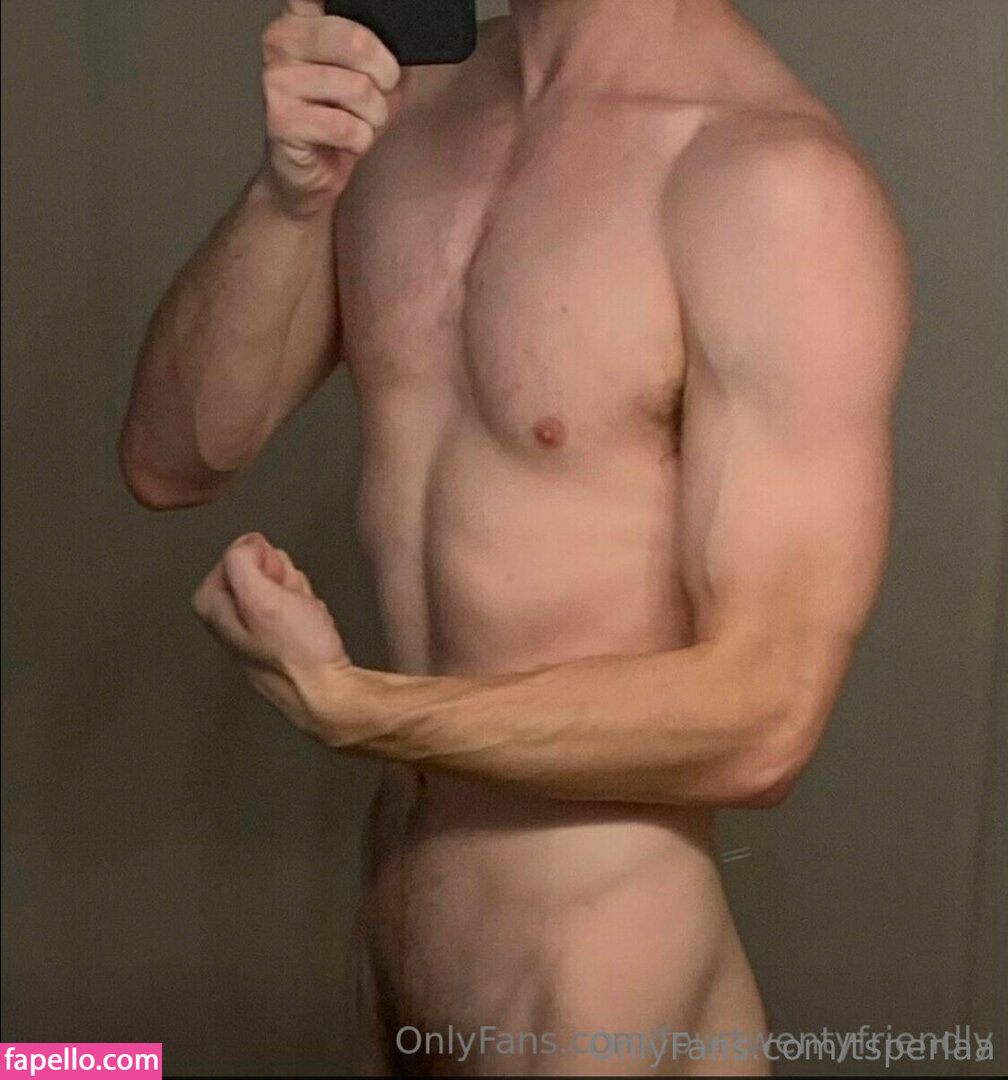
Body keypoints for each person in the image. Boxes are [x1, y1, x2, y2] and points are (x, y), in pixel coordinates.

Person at [118, 0, 913, 1074]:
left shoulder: (768, 185)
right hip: (393, 964)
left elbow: (768, 713)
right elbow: (174, 458)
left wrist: (361, 708)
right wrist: (288, 197)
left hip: (599, 1002)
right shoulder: (411, 101)